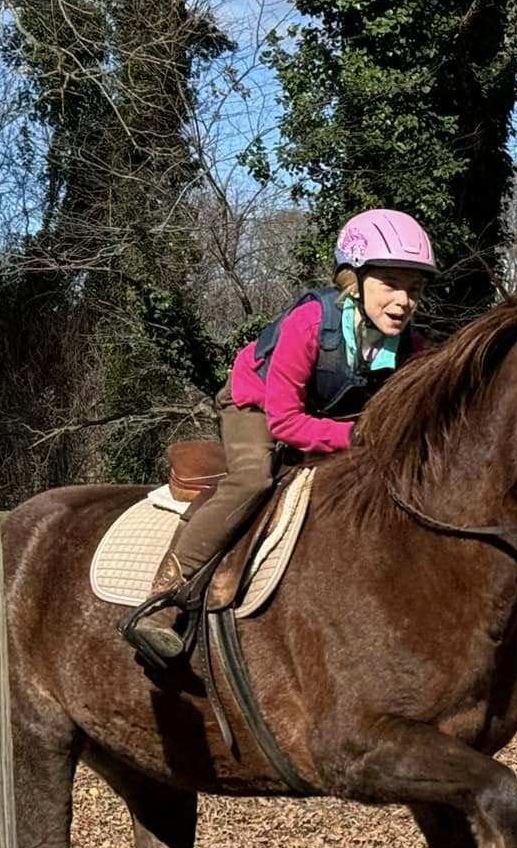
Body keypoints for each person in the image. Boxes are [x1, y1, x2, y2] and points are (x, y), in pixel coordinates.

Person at [124, 208, 436, 662]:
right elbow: (286, 423)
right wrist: (362, 438)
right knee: (253, 479)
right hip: (256, 404)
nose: (404, 300)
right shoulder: (310, 323)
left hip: (328, 417)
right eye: (391, 284)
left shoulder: (411, 348)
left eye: (414, 288)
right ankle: (161, 600)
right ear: (354, 279)